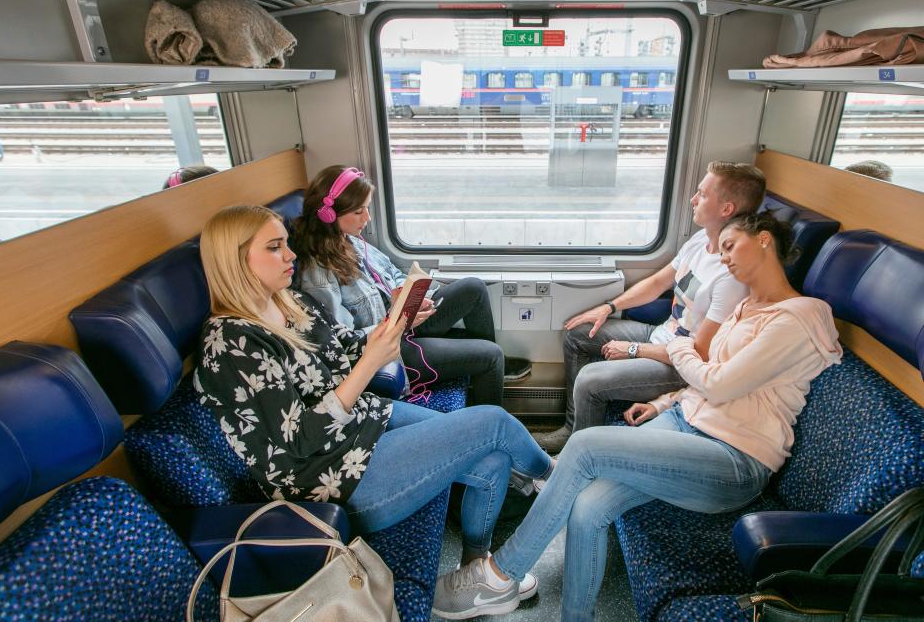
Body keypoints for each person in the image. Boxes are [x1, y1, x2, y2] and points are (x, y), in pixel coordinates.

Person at [432, 212, 843, 621]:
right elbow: (710, 378)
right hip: (687, 422)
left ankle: (500, 575)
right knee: (589, 506)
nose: (722, 255)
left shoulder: (800, 317)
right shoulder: (748, 307)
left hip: (734, 458)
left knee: (586, 446)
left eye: (731, 246)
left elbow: (718, 382)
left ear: (766, 241)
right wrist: (666, 402)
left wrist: (680, 349)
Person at [193, 204, 553, 581]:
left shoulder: (290, 301)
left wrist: (394, 322)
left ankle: (476, 567)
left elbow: (346, 345)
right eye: (274, 247)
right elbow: (297, 442)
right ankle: (555, 477)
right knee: (492, 423)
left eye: (286, 244)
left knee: (493, 458)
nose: (291, 255)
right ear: (236, 260)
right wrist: (370, 363)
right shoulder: (230, 344)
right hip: (328, 477)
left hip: (362, 422)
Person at [534, 160, 766, 454]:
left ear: (726, 209)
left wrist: (632, 350)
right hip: (661, 335)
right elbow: (658, 282)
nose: (693, 200)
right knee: (580, 334)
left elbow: (702, 354)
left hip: (681, 366)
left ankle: (579, 452)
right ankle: (572, 428)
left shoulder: (730, 277)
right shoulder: (700, 241)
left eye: (703, 194)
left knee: (591, 380)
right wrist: (608, 306)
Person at [291, 165, 530, 407]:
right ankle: (486, 421)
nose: (367, 218)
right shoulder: (318, 274)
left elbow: (392, 271)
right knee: (491, 355)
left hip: (402, 321)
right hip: (390, 348)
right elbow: (346, 341)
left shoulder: (349, 241)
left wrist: (407, 294)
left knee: (473, 287)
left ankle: (486, 373)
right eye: (358, 212)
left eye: (367, 208)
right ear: (328, 215)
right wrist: (396, 321)